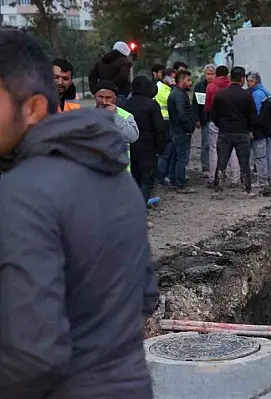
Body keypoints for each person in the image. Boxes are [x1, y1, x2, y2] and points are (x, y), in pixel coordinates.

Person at [0, 28, 157, 398]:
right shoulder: (116, 175)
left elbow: (33, 355)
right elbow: (146, 296)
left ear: (33, 107)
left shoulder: (22, 193)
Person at [210, 66, 257, 196]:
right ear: (242, 79)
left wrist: (221, 124)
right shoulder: (246, 95)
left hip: (224, 132)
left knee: (222, 162)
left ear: (231, 78)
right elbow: (252, 115)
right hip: (242, 133)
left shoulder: (221, 94)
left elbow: (213, 115)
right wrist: (249, 129)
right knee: (244, 163)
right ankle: (246, 190)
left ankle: (218, 190)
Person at [123, 76, 166, 204]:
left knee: (135, 177)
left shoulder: (125, 103)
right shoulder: (152, 104)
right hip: (148, 146)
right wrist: (160, 147)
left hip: (130, 146)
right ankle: (140, 206)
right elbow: (159, 128)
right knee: (147, 179)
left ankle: (134, 204)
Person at [205, 65, 238, 186]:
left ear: (216, 74)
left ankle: (214, 177)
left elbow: (208, 107)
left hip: (216, 121)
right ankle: (234, 178)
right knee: (233, 149)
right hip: (231, 122)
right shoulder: (232, 86)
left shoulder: (211, 86)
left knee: (214, 149)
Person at [94, 80, 139, 165]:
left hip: (119, 169)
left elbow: (132, 137)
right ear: (94, 97)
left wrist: (115, 116)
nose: (104, 101)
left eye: (108, 98)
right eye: (100, 97)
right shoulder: (86, 116)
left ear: (115, 99)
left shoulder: (125, 115)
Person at [167, 69, 196, 193]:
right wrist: (188, 128)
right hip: (181, 131)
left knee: (175, 156)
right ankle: (180, 183)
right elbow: (182, 114)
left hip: (176, 130)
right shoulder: (179, 95)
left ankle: (173, 180)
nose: (190, 83)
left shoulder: (175, 93)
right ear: (181, 80)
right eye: (188, 80)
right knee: (181, 158)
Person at [247, 71, 271, 187]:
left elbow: (256, 112)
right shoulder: (267, 92)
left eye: (249, 81)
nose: (248, 83)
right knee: (268, 154)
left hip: (259, 129)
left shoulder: (256, 94)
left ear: (255, 81)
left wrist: (251, 128)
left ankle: (262, 180)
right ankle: (268, 177)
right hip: (268, 128)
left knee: (259, 156)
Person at [193, 64, 216, 178]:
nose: (210, 76)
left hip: (216, 119)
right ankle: (206, 167)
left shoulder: (217, 86)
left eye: (212, 74)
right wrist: (197, 119)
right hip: (205, 119)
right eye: (208, 74)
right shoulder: (199, 86)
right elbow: (196, 103)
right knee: (205, 144)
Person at [155, 69, 174, 186]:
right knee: (165, 152)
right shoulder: (162, 89)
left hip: (166, 121)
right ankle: (161, 177)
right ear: (165, 78)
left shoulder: (165, 88)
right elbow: (171, 101)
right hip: (164, 121)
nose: (174, 80)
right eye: (172, 78)